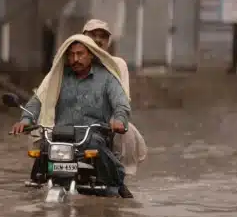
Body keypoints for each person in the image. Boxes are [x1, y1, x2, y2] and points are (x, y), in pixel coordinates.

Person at [11, 34, 130, 198]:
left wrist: (119, 119)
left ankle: (115, 186)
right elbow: (37, 100)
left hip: (92, 136)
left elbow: (121, 104)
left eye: (80, 54)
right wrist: (25, 120)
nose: (75, 59)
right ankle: (37, 185)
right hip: (60, 137)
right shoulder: (57, 77)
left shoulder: (107, 78)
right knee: (43, 150)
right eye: (71, 54)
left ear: (91, 55)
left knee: (107, 167)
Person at [81, 19, 147, 198]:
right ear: (83, 37)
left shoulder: (117, 64)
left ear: (109, 42)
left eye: (103, 36)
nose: (98, 40)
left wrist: (117, 116)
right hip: (74, 117)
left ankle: (119, 179)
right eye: (93, 35)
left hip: (105, 120)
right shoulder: (70, 60)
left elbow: (122, 97)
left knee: (127, 132)